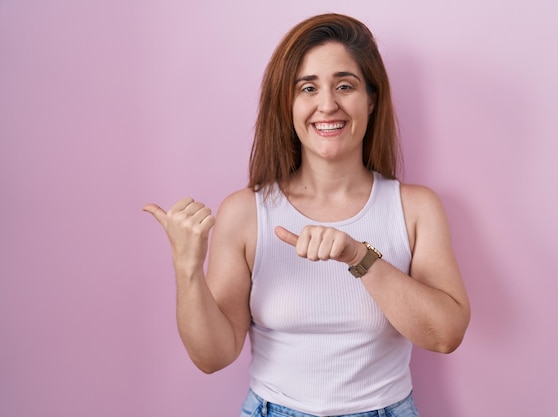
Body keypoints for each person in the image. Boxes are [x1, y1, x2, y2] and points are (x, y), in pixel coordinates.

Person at [144, 12, 470, 417]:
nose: (327, 104)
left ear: (371, 97)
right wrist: (187, 268)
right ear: (288, 103)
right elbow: (212, 356)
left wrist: (360, 257)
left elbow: (445, 336)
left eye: (345, 86)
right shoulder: (246, 212)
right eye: (308, 88)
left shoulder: (416, 208)